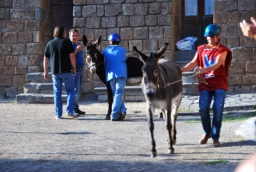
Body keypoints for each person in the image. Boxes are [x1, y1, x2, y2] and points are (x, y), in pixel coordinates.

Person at [181, 24, 232, 147]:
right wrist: (181, 70)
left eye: (212, 37)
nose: (210, 39)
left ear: (218, 36)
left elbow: (218, 63)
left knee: (217, 109)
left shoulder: (223, 50)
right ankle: (206, 132)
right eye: (208, 37)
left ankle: (215, 137)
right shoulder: (201, 49)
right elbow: (193, 62)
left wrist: (205, 69)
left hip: (219, 83)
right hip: (205, 84)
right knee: (203, 109)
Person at [44, 26, 77, 119]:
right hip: (66, 70)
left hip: (55, 72)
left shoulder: (50, 43)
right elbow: (72, 56)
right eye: (65, 32)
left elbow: (45, 58)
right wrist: (74, 68)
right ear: (63, 33)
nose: (66, 34)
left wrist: (46, 71)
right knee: (71, 91)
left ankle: (58, 114)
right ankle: (70, 111)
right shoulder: (67, 42)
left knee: (57, 93)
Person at [102, 33, 127, 121]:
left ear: (111, 41)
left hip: (110, 75)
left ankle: (123, 110)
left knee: (117, 94)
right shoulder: (123, 50)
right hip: (121, 74)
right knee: (118, 94)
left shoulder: (105, 51)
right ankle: (114, 114)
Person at [69, 29, 85, 115]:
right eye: (73, 36)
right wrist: (77, 50)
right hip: (74, 71)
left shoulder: (78, 45)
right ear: (69, 37)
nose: (74, 37)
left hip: (80, 70)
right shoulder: (70, 46)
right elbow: (70, 57)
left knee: (78, 90)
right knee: (76, 90)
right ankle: (73, 108)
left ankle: (76, 107)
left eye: (76, 35)